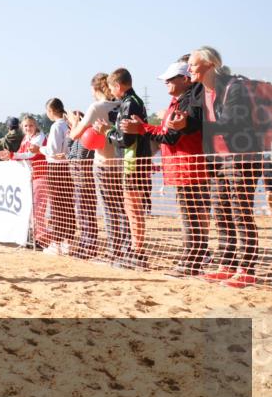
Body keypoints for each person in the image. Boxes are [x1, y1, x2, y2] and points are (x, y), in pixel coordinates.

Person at [171, 47, 264, 287]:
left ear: (209, 64)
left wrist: (199, 125)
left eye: (192, 64)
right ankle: (227, 264)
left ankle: (247, 269)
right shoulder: (200, 90)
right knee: (221, 212)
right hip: (217, 160)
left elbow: (232, 123)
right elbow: (196, 121)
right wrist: (184, 123)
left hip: (242, 157)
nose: (188, 68)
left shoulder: (234, 87)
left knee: (241, 213)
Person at [121, 60, 208, 275]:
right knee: (189, 215)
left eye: (170, 79)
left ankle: (192, 261)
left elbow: (168, 136)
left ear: (185, 80)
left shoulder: (185, 103)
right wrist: (144, 127)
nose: (166, 83)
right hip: (182, 167)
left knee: (191, 216)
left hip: (188, 167)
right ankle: (191, 259)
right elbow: (165, 132)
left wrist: (141, 128)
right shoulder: (178, 101)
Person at [94, 68, 152, 269]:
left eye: (111, 87)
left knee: (133, 208)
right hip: (133, 161)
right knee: (131, 208)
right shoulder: (132, 102)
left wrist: (106, 131)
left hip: (132, 162)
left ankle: (137, 252)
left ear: (118, 86)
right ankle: (135, 251)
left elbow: (124, 139)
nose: (110, 91)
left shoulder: (129, 103)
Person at [70, 73, 127, 261]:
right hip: (122, 162)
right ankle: (125, 248)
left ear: (96, 89)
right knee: (122, 207)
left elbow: (75, 135)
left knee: (110, 209)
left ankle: (114, 250)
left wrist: (74, 122)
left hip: (104, 162)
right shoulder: (122, 104)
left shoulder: (96, 107)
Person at [0, 115, 49, 248]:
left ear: (36, 126)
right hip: (30, 177)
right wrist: (9, 157)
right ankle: (34, 236)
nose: (28, 128)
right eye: (26, 126)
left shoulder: (40, 137)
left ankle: (41, 238)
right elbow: (20, 154)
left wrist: (12, 155)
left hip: (41, 176)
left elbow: (31, 155)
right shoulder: (25, 139)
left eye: (31, 125)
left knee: (38, 208)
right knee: (31, 208)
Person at [39, 99, 76, 254]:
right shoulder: (68, 124)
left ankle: (58, 242)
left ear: (50, 111)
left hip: (55, 167)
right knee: (67, 204)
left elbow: (53, 150)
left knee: (57, 205)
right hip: (66, 167)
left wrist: (40, 149)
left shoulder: (56, 126)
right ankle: (69, 240)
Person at [65, 110, 97, 259]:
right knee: (81, 213)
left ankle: (89, 246)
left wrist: (76, 125)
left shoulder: (87, 133)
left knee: (87, 213)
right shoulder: (78, 135)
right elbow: (70, 151)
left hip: (85, 179)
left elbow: (80, 156)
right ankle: (84, 244)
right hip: (78, 179)